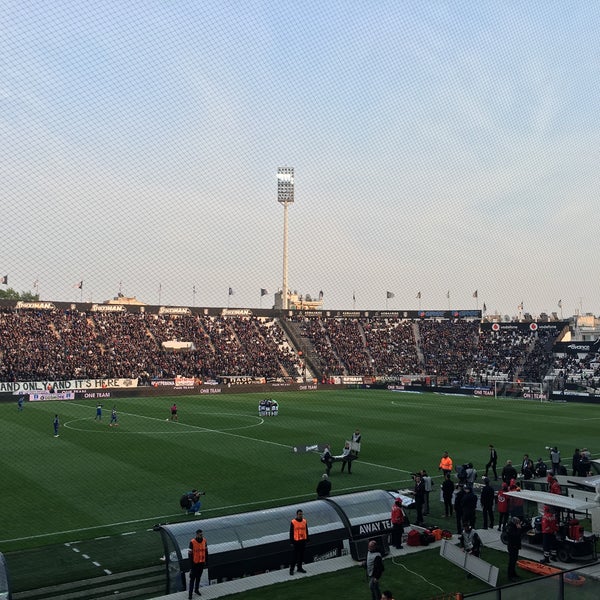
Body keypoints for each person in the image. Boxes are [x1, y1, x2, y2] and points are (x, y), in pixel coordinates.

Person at [188, 528, 207, 598]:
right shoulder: (192, 542)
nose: (201, 536)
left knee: (198, 577)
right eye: (200, 535)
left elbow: (206, 552)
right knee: (192, 579)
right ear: (196, 535)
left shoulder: (204, 540)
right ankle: (190, 594)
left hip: (201, 563)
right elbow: (190, 555)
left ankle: (196, 590)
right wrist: (191, 566)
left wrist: (206, 561)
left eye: (202, 535)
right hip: (194, 564)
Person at [289, 509, 309, 575]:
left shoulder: (304, 521)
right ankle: (291, 569)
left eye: (301, 514)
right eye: (299, 514)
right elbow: (291, 532)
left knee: (301, 556)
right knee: (294, 556)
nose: (300, 515)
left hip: (302, 541)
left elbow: (306, 530)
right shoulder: (293, 522)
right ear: (297, 515)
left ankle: (299, 568)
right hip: (296, 542)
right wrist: (291, 542)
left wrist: (307, 539)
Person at [505, 517, 522, 581]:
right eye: (518, 523)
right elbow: (516, 535)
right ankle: (510, 576)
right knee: (511, 561)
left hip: (515, 546)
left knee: (514, 560)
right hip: (512, 546)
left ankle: (513, 573)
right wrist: (519, 529)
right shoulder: (510, 528)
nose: (519, 524)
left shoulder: (513, 526)